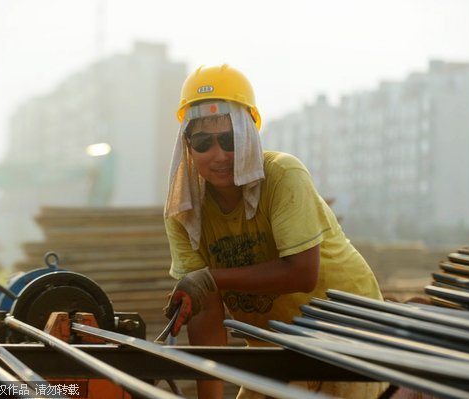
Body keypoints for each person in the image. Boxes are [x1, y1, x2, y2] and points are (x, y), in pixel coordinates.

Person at [163, 64, 387, 399]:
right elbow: (205, 309)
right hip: (275, 351)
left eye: (230, 139)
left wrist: (211, 278)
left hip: (348, 340)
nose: (219, 154)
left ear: (249, 135)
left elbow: (302, 273)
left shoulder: (283, 176)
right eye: (203, 142)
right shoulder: (184, 211)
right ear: (188, 147)